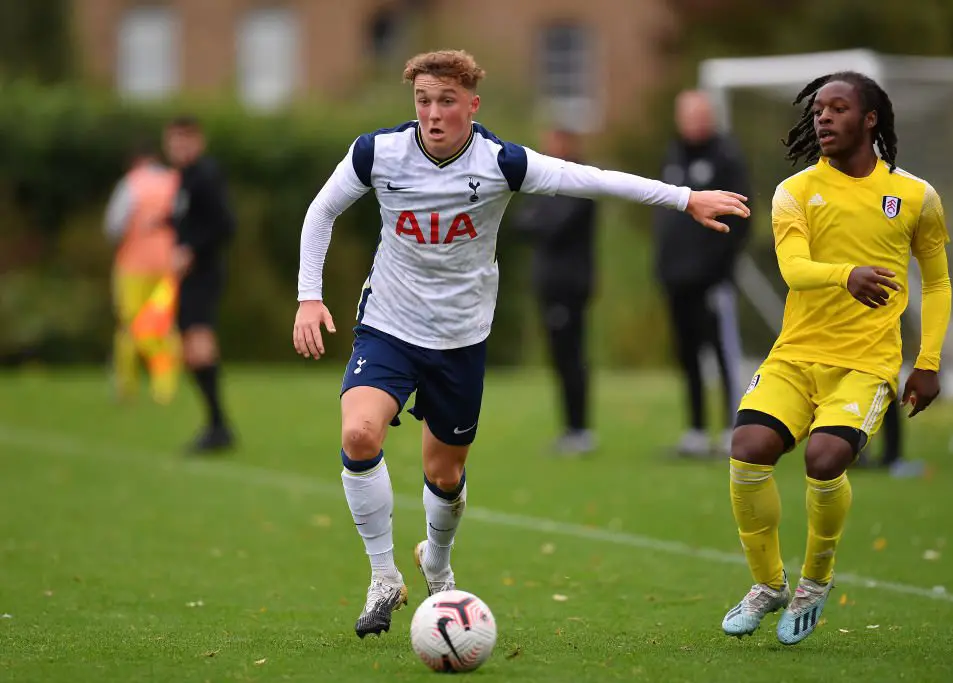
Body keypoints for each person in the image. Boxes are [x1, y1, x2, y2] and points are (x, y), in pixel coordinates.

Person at [291, 49, 750, 639]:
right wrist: (310, 296)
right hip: (388, 324)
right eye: (423, 101)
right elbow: (321, 211)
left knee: (446, 474)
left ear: (472, 106)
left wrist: (685, 198)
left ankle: (436, 557)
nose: (432, 114)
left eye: (446, 102)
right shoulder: (377, 153)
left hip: (460, 336)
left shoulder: (502, 163)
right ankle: (383, 576)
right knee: (358, 433)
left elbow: (593, 180)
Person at [720, 72, 952, 645]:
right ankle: (768, 585)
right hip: (796, 355)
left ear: (869, 119)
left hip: (866, 363)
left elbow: (939, 283)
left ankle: (814, 583)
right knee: (748, 451)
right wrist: (845, 275)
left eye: (838, 108)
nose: (822, 117)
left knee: (824, 459)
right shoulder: (795, 191)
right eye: (818, 109)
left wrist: (928, 361)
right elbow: (794, 270)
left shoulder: (916, 197)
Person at [653, 90, 753, 457]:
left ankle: (732, 427)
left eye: (699, 114)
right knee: (688, 354)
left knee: (722, 353)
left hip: (712, 280)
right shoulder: (673, 155)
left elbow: (741, 218)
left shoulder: (726, 157)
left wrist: (717, 268)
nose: (693, 121)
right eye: (687, 115)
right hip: (676, 280)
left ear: (710, 117)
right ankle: (696, 429)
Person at [509, 128, 598, 455]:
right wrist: (537, 220)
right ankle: (570, 428)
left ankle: (581, 429)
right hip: (548, 284)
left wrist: (538, 220)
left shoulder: (581, 184)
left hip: (570, 284)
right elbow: (521, 221)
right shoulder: (547, 184)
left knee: (572, 356)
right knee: (559, 357)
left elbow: (551, 226)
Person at [163, 116, 236, 453]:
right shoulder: (185, 178)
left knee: (199, 343)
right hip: (190, 276)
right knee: (191, 347)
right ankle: (216, 424)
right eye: (173, 141)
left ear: (198, 142)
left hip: (204, 274)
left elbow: (224, 224)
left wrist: (192, 250)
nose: (178, 147)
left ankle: (218, 426)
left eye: (184, 141)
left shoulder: (205, 175)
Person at [104, 142, 181, 405]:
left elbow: (114, 225)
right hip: (168, 266)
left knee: (129, 326)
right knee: (162, 326)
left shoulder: (130, 184)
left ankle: (127, 387)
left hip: (132, 267)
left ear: (136, 161)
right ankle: (164, 387)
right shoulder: (175, 181)